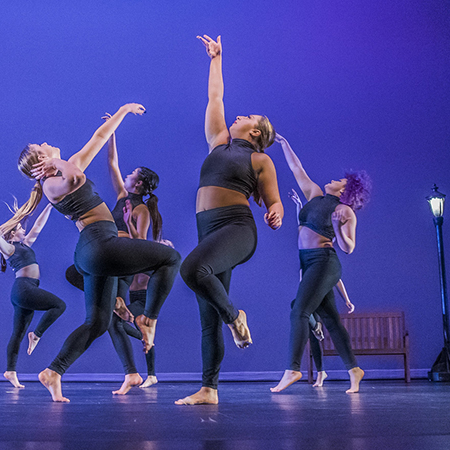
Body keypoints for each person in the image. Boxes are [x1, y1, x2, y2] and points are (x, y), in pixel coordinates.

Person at [5, 102, 182, 402]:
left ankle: (54, 372)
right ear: (42, 159)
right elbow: (74, 179)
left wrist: (123, 112)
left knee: (97, 323)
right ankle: (147, 320)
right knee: (171, 258)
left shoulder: (65, 167)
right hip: (99, 244)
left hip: (96, 251)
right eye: (42, 145)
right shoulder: (51, 182)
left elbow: (98, 139)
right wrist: (57, 164)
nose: (47, 142)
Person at [176, 35, 284, 406]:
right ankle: (209, 388)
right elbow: (215, 97)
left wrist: (276, 211)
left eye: (248, 117)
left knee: (191, 271)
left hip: (237, 229)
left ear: (255, 132)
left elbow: (275, 201)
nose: (238, 115)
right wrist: (216, 59)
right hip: (208, 229)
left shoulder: (260, 160)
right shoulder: (218, 142)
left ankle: (236, 318)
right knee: (207, 315)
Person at [271, 133, 371, 394]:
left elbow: (349, 248)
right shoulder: (315, 196)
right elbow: (297, 169)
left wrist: (338, 226)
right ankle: (354, 369)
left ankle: (292, 369)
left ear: (345, 190)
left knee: (299, 311)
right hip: (309, 262)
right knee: (331, 320)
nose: (333, 179)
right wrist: (284, 144)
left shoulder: (345, 211)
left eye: (339, 180)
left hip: (325, 263)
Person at [100, 115, 164, 394]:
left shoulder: (141, 209)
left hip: (125, 258)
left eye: (132, 175)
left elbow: (141, 242)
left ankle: (138, 331)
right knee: (111, 320)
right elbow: (112, 163)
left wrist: (127, 223)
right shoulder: (120, 197)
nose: (126, 176)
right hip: (111, 256)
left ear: (139, 184)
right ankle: (134, 362)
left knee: (110, 311)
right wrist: (111, 131)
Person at [0, 203, 66, 389]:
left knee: (17, 333)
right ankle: (37, 335)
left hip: (27, 289)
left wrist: (50, 205)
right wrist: (10, 224)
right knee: (59, 305)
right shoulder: (9, 249)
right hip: (23, 289)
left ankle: (10, 371)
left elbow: (38, 226)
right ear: (12, 233)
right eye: (20, 228)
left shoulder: (24, 245)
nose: (24, 229)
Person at [287, 189, 355, 388]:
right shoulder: (307, 256)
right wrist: (299, 206)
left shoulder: (323, 259)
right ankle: (326, 371)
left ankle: (310, 367)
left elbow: (336, 279)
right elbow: (302, 224)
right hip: (309, 290)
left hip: (315, 292)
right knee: (315, 322)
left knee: (302, 311)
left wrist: (347, 299)